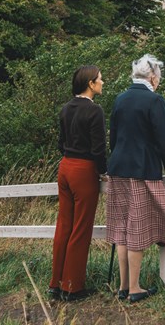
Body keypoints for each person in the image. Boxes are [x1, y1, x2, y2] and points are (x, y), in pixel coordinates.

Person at [106, 54, 165, 304]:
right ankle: (135, 288)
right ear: (152, 77)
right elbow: (163, 140)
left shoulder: (120, 98)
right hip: (140, 170)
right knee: (136, 229)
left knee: (123, 229)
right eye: (158, 77)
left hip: (117, 169)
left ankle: (123, 286)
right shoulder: (154, 100)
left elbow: (113, 138)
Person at [49, 65, 107, 302]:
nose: (103, 82)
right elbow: (99, 148)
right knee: (81, 228)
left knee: (64, 225)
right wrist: (103, 171)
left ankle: (56, 283)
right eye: (100, 79)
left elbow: (61, 143)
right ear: (90, 84)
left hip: (65, 167)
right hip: (83, 170)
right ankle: (72, 287)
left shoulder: (65, 108)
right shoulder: (95, 111)